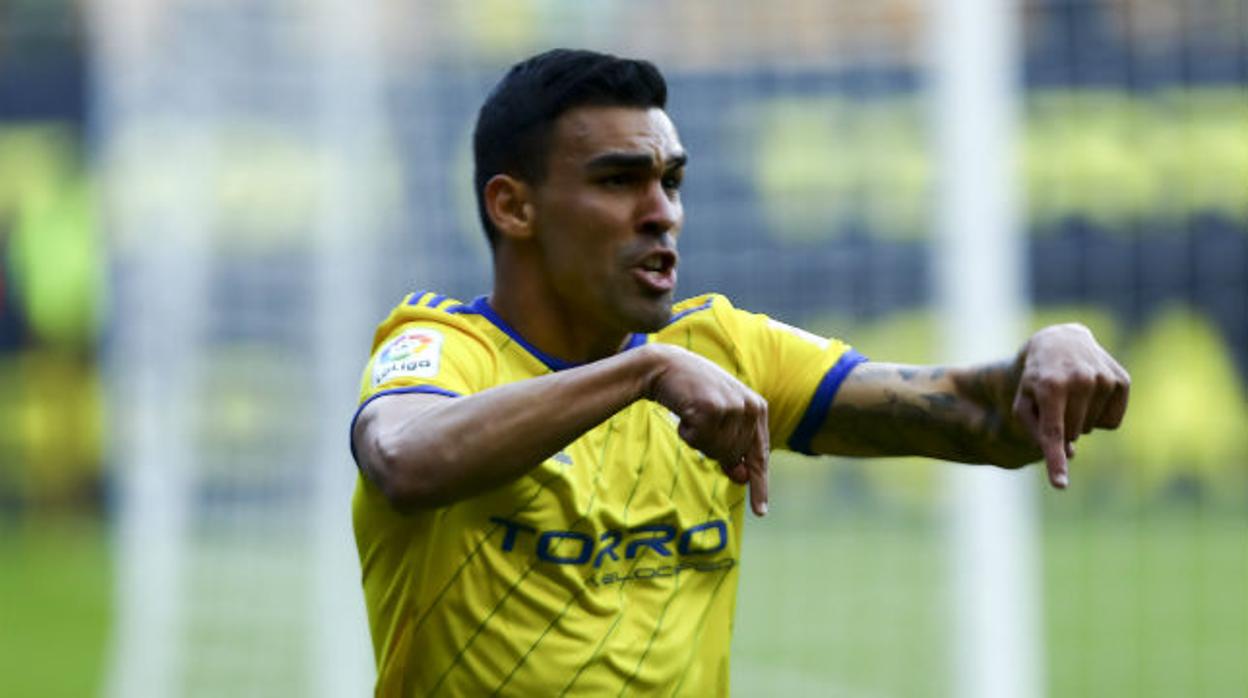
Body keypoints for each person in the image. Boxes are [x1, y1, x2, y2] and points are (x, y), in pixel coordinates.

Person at [349, 49, 1130, 695]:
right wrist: (641, 374)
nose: (662, 212)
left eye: (672, 181)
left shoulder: (724, 350)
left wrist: (1045, 355)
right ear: (513, 207)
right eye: (619, 180)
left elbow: (985, 419)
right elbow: (406, 459)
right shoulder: (443, 348)